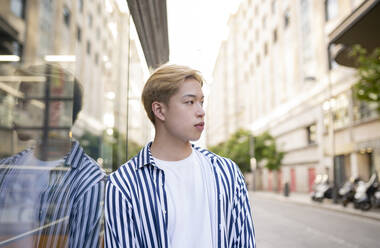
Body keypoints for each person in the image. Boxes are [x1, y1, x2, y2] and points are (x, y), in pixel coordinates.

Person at [105, 64, 256, 247]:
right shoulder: (123, 185)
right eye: (189, 102)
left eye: (201, 102)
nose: (201, 111)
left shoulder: (226, 172)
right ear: (160, 110)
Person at [0, 64, 105, 248]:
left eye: (23, 102)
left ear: (55, 110)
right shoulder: (7, 168)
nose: (14, 110)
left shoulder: (91, 184)